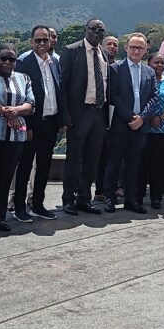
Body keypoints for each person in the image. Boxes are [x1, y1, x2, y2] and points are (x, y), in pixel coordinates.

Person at [58, 18, 109, 215]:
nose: (96, 32)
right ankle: (68, 200)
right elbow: (63, 85)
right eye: (93, 28)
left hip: (99, 113)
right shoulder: (71, 51)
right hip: (79, 113)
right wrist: (66, 114)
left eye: (100, 30)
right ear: (85, 30)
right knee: (74, 158)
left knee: (92, 159)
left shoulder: (103, 52)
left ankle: (84, 199)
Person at [103, 33, 158, 213]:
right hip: (120, 125)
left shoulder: (149, 71)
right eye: (133, 47)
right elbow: (112, 95)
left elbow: (153, 97)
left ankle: (131, 200)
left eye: (140, 48)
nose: (136, 51)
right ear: (126, 48)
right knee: (114, 163)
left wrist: (142, 117)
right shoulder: (115, 69)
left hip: (140, 126)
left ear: (145, 50)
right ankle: (109, 197)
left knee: (134, 165)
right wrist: (130, 117)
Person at [13, 26, 63, 222]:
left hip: (51, 122)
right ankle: (19, 206)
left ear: (51, 41)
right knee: (25, 165)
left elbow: (59, 91)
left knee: (44, 165)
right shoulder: (24, 62)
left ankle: (38, 204)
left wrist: (61, 119)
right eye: (38, 40)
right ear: (31, 41)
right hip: (32, 124)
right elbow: (20, 95)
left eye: (45, 40)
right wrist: (27, 125)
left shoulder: (55, 62)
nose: (42, 43)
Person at [0, 44, 34, 230]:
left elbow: (30, 104)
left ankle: (0, 217)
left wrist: (15, 111)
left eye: (11, 59)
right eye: (3, 58)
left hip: (15, 138)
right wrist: (7, 113)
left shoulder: (24, 78)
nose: (7, 62)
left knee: (6, 178)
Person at [137, 53, 164, 209]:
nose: (160, 65)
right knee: (142, 164)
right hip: (144, 129)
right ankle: (138, 196)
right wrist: (148, 117)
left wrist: (161, 118)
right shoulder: (142, 80)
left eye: (162, 63)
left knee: (160, 165)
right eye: (156, 62)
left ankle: (156, 197)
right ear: (149, 63)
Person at [94, 34, 120, 201]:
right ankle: (99, 190)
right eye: (108, 44)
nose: (112, 47)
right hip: (99, 115)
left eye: (115, 44)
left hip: (117, 117)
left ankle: (113, 187)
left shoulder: (120, 67)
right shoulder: (97, 65)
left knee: (114, 154)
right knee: (100, 154)